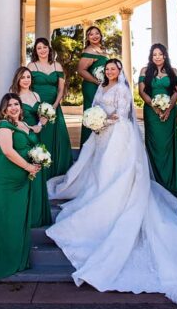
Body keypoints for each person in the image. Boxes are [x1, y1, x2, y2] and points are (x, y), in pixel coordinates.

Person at [46, 59, 177, 302]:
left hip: (118, 134)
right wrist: (94, 120)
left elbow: (122, 114)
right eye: (108, 69)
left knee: (118, 172)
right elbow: (94, 106)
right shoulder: (101, 88)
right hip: (101, 136)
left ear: (120, 71)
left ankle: (117, 199)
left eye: (114, 69)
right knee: (99, 173)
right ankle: (101, 197)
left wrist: (102, 121)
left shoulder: (123, 89)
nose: (111, 72)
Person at [0, 93, 40, 280]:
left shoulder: (23, 124)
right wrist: (29, 166)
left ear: (21, 107)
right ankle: (3, 261)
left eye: (16, 104)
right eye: (10, 105)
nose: (14, 107)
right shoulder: (3, 126)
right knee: (6, 216)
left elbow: (34, 136)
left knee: (18, 217)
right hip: (7, 175)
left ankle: (18, 258)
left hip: (22, 176)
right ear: (4, 109)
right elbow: (8, 151)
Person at [9, 66, 52, 229]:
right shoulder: (14, 98)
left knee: (38, 173)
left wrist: (41, 123)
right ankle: (24, 216)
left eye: (28, 77)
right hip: (22, 139)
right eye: (23, 77)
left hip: (37, 138)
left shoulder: (36, 95)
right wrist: (29, 127)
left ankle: (37, 215)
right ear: (18, 80)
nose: (26, 80)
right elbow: (12, 119)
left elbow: (40, 117)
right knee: (25, 175)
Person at [138, 43, 177, 195]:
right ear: (151, 56)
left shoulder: (174, 71)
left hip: (170, 114)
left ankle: (171, 183)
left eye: (160, 54)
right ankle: (155, 181)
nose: (157, 57)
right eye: (154, 54)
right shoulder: (145, 71)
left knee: (168, 145)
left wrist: (169, 109)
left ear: (165, 55)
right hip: (151, 113)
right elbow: (142, 92)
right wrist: (155, 107)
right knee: (155, 144)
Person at [28, 37, 72, 178]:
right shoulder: (31, 66)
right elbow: (27, 87)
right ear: (35, 50)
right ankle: (40, 173)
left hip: (54, 107)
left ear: (49, 49)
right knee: (41, 138)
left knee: (60, 139)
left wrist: (53, 106)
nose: (42, 50)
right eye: (39, 48)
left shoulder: (56, 66)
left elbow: (61, 89)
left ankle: (58, 172)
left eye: (44, 47)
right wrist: (38, 107)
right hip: (37, 108)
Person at [77, 25, 111, 148]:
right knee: (93, 114)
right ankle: (89, 149)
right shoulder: (89, 51)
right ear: (87, 38)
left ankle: (101, 147)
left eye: (97, 33)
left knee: (103, 115)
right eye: (91, 34)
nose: (94, 36)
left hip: (102, 87)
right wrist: (97, 81)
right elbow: (81, 70)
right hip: (92, 87)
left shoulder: (102, 50)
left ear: (101, 35)